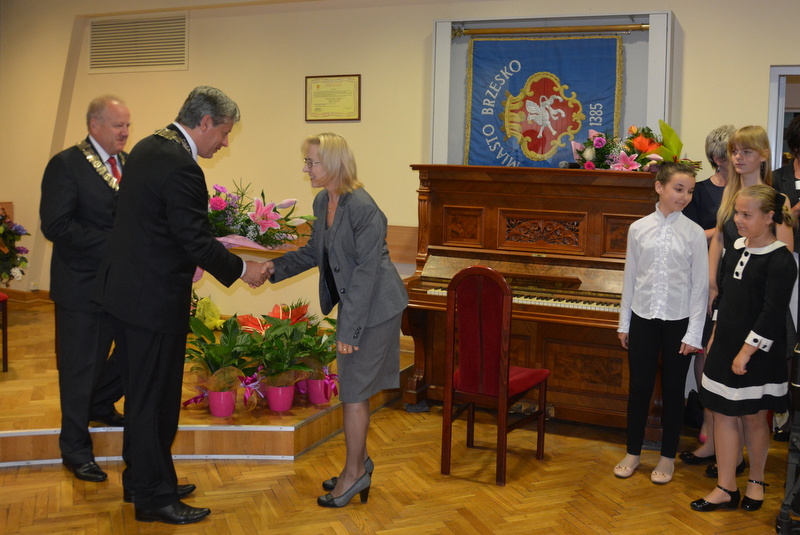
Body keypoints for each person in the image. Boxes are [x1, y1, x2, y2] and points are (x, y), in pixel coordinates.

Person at [92, 86, 268, 525]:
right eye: (224, 132)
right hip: (152, 302)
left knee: (142, 398)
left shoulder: (149, 146)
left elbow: (154, 226)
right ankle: (155, 497)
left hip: (128, 295)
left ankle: (142, 480)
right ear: (205, 122)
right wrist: (242, 268)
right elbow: (192, 239)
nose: (224, 142)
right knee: (155, 403)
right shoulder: (181, 165)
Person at [262, 132, 408, 508]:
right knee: (352, 390)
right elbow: (315, 251)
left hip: (376, 308)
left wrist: (350, 330)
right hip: (358, 304)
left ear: (334, 163)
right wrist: (272, 268)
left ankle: (354, 473)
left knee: (354, 393)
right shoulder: (322, 200)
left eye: (312, 162)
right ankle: (359, 464)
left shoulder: (362, 207)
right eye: (306, 161)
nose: (306, 169)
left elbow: (367, 274)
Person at [690, 184, 797, 512]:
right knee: (722, 414)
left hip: (758, 353)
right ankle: (726, 487)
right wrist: (715, 335)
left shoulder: (781, 259)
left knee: (752, 416)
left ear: (769, 218)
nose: (737, 219)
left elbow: (771, 313)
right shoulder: (735, 247)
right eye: (737, 212)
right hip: (725, 343)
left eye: (746, 215)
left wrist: (746, 352)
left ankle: (756, 482)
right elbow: (725, 297)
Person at [39, 95, 128, 483]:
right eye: (118, 125)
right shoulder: (66, 165)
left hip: (121, 285)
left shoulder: (127, 163)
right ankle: (75, 448)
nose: (125, 132)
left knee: (130, 353)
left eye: (127, 125)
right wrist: (116, 244)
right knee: (80, 369)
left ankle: (100, 403)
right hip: (81, 287)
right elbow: (56, 225)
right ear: (95, 125)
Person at [614, 162, 708, 485]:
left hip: (679, 324)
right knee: (639, 387)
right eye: (678, 189)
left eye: (690, 191)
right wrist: (624, 323)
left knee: (673, 389)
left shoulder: (695, 233)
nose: (684, 196)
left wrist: (694, 333)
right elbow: (630, 278)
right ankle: (633, 452)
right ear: (659, 187)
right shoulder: (638, 229)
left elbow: (700, 288)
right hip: (643, 318)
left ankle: (668, 456)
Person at [679, 125, 740, 465]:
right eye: (732, 153)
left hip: (737, 282)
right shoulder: (699, 192)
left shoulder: (747, 191)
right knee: (704, 351)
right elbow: (687, 236)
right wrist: (723, 230)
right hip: (703, 281)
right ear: (717, 158)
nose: (738, 158)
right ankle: (707, 420)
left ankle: (730, 436)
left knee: (728, 353)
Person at [770, 114, 800, 442]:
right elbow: (776, 219)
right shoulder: (778, 178)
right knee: (788, 336)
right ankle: (784, 414)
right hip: (789, 259)